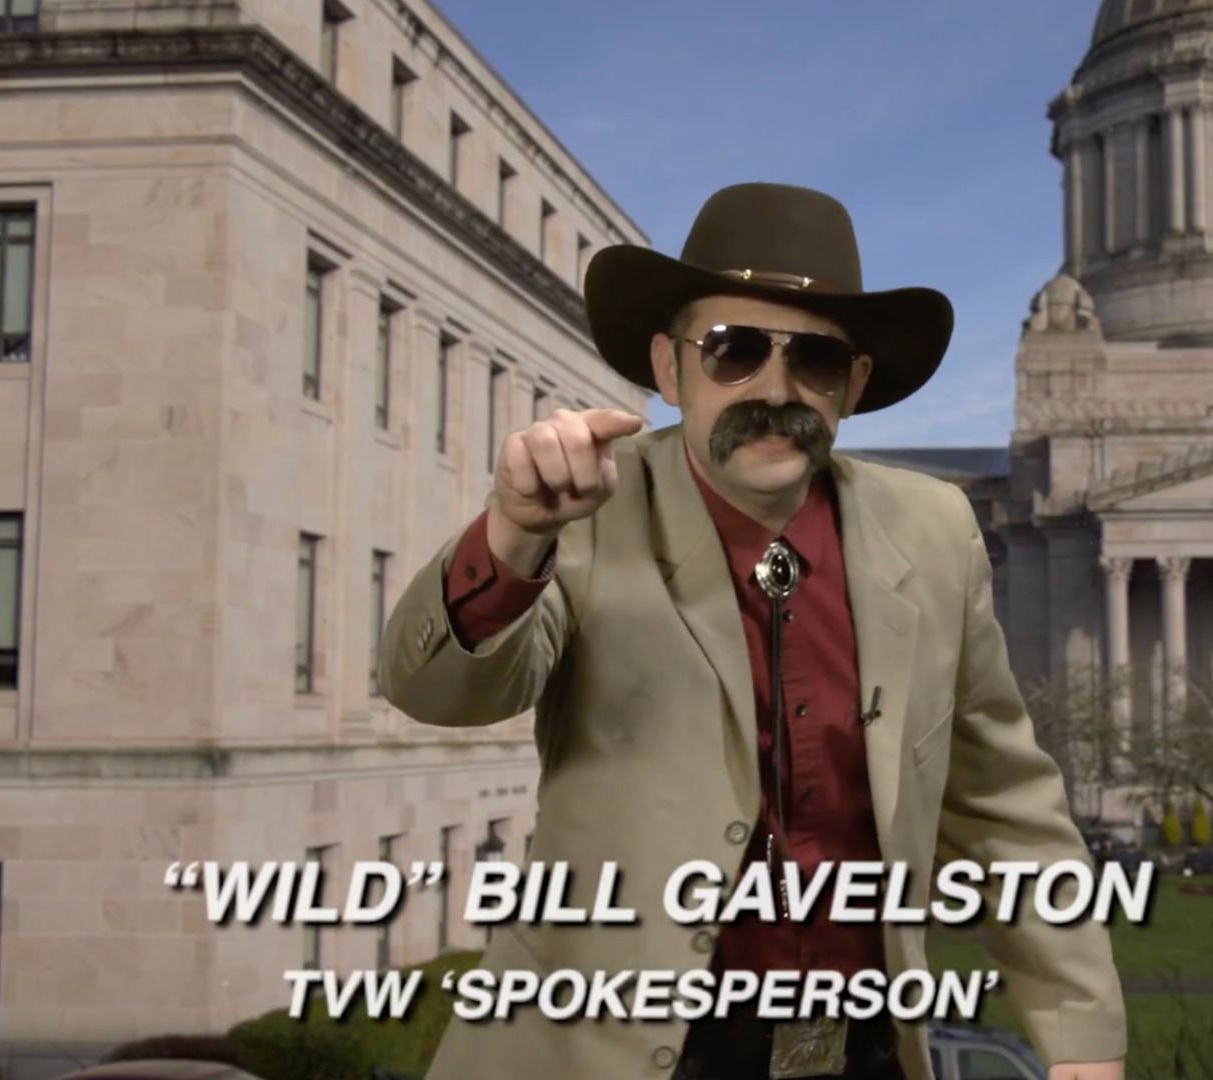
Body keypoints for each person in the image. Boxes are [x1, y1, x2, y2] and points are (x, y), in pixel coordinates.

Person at [379, 183, 1126, 1079]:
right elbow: (432, 689)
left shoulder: (935, 533)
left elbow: (1004, 804)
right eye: (733, 350)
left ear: (852, 384)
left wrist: (1082, 1035)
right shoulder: (583, 509)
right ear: (669, 369)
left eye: (813, 359)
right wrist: (511, 537)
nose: (775, 389)